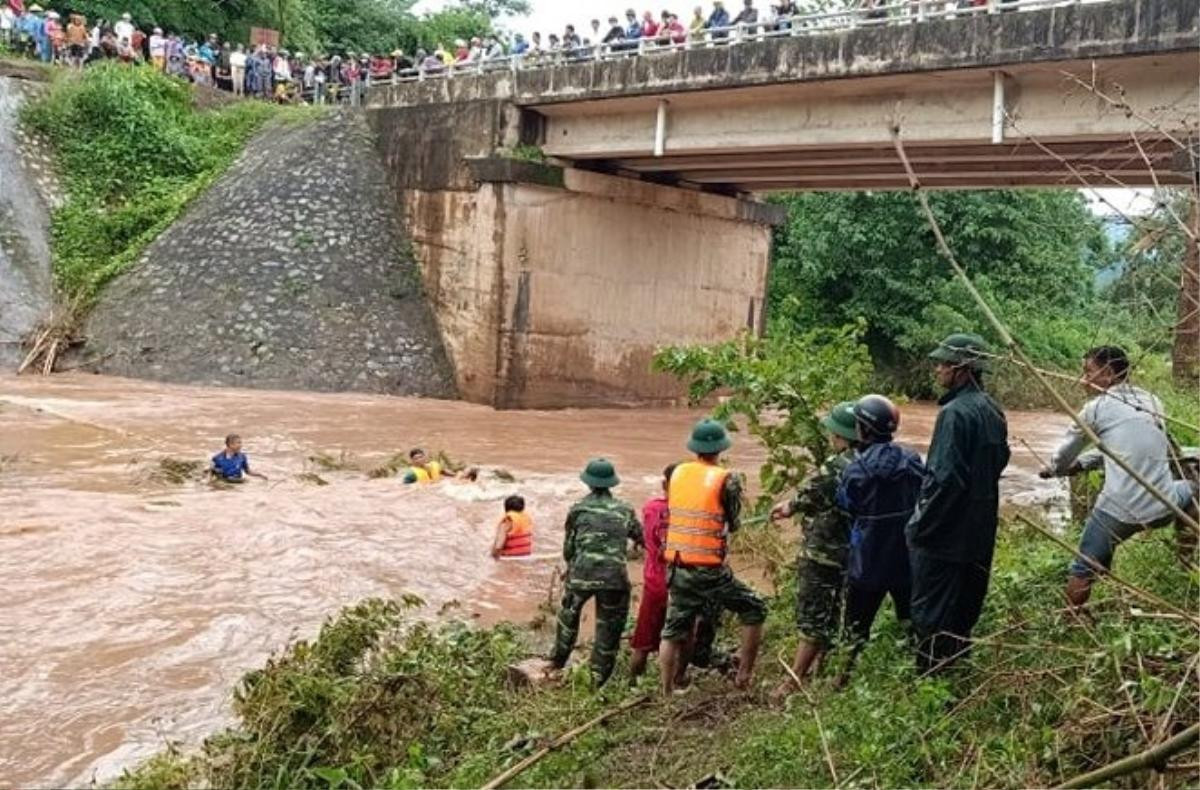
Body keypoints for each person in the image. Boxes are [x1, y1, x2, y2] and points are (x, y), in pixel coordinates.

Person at [1040, 346, 1199, 609]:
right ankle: (1185, 562)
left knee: (1082, 567)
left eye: (1088, 371)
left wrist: (1056, 470)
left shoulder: (1096, 408)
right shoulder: (1152, 402)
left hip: (1120, 512)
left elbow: (1062, 456)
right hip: (1164, 504)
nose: (1083, 379)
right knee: (1193, 487)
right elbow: (1125, 451)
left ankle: (1071, 619)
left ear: (1109, 373)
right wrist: (1085, 463)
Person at [906, 333, 1010, 674]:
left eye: (943, 363)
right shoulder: (994, 411)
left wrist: (919, 528)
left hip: (945, 537)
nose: (937, 369)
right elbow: (999, 462)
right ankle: (957, 677)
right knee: (964, 611)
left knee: (931, 614)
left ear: (962, 368)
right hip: (979, 532)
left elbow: (943, 479)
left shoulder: (954, 413)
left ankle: (930, 684)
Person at [660, 419, 767, 693]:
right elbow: (734, 521)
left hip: (677, 566)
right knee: (755, 609)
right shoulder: (726, 479)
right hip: (709, 571)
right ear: (721, 448)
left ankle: (667, 690)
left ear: (694, 448)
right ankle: (744, 676)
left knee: (673, 630)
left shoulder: (677, 473)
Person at [769, 401, 858, 700]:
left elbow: (811, 496)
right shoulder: (866, 461)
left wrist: (787, 507)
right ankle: (824, 673)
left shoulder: (837, 465)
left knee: (812, 618)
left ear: (841, 436)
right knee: (834, 614)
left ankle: (793, 682)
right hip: (850, 553)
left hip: (822, 551)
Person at [838, 395, 925, 679]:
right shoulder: (912, 460)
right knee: (911, 620)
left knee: (855, 627)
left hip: (868, 560)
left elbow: (847, 506)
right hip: (905, 557)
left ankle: (842, 678)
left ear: (862, 429)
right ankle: (916, 673)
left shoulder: (854, 470)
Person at [550, 458, 644, 686]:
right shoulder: (625, 509)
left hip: (582, 575)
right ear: (611, 483)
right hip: (614, 579)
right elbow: (641, 538)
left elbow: (569, 549)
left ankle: (557, 663)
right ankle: (597, 680)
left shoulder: (578, 509)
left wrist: (574, 565)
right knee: (609, 628)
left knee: (568, 618)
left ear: (588, 483)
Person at [629, 464, 675, 679]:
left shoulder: (650, 507)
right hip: (679, 583)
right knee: (679, 638)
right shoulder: (688, 512)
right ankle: (677, 682)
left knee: (642, 643)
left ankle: (633, 684)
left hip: (654, 583)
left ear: (664, 484)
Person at [492, 494, 534, 559]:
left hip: (509, 559)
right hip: (526, 556)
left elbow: (499, 545)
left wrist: (493, 557)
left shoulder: (507, 520)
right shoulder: (526, 518)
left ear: (506, 507)